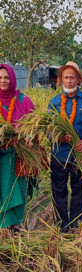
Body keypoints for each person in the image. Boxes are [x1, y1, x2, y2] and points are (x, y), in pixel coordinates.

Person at [48, 61, 82, 233]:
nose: (69, 81)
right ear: (61, 80)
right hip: (59, 155)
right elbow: (47, 130)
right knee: (59, 191)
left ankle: (77, 226)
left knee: (79, 190)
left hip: (81, 155)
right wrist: (59, 137)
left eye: (72, 77)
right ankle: (61, 227)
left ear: (78, 79)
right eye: (66, 77)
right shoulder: (54, 103)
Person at [0, 64, 36, 233]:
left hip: (20, 155)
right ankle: (4, 226)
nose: (3, 81)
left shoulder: (23, 100)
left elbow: (35, 124)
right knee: (3, 189)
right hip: (1, 155)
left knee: (18, 189)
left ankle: (16, 225)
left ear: (12, 79)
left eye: (7, 77)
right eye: (0, 78)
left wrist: (28, 137)